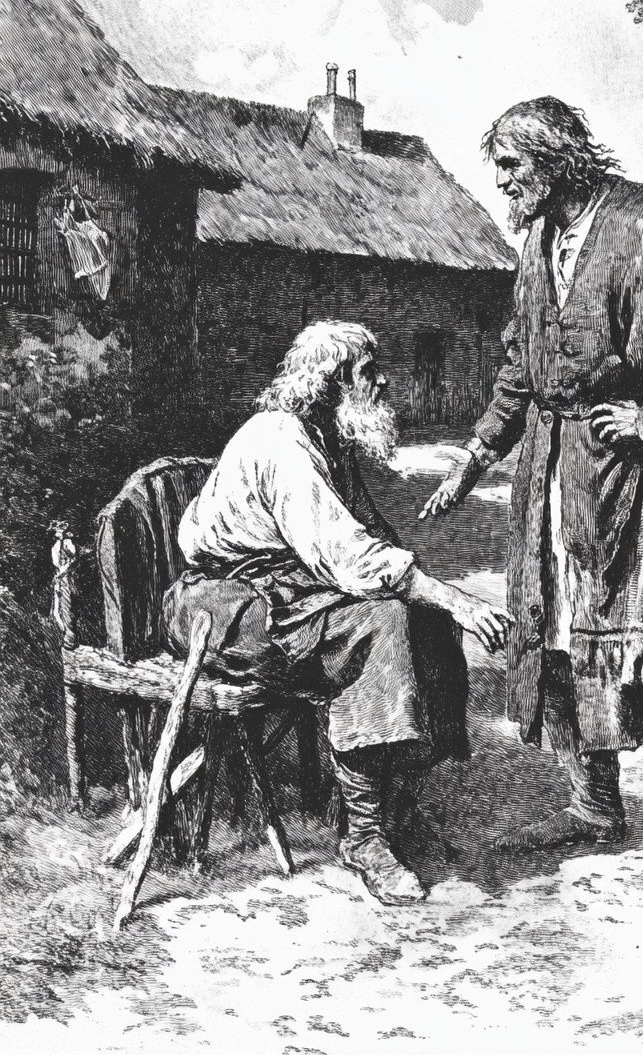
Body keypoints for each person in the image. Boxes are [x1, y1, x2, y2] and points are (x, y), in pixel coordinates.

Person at [421, 97, 643, 893]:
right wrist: (475, 455)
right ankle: (595, 804)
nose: (502, 181)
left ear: (557, 159)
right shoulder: (537, 242)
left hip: (642, 475)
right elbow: (518, 369)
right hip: (552, 474)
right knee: (565, 636)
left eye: (512, 165)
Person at [165, 321, 509, 907]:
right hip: (227, 606)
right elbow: (350, 555)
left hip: (293, 591)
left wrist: (433, 598)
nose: (382, 382)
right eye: (368, 373)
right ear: (330, 383)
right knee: (379, 625)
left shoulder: (330, 440)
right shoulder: (281, 443)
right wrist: (457, 595)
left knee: (425, 621)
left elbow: (372, 535)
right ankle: (364, 835)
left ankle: (395, 802)